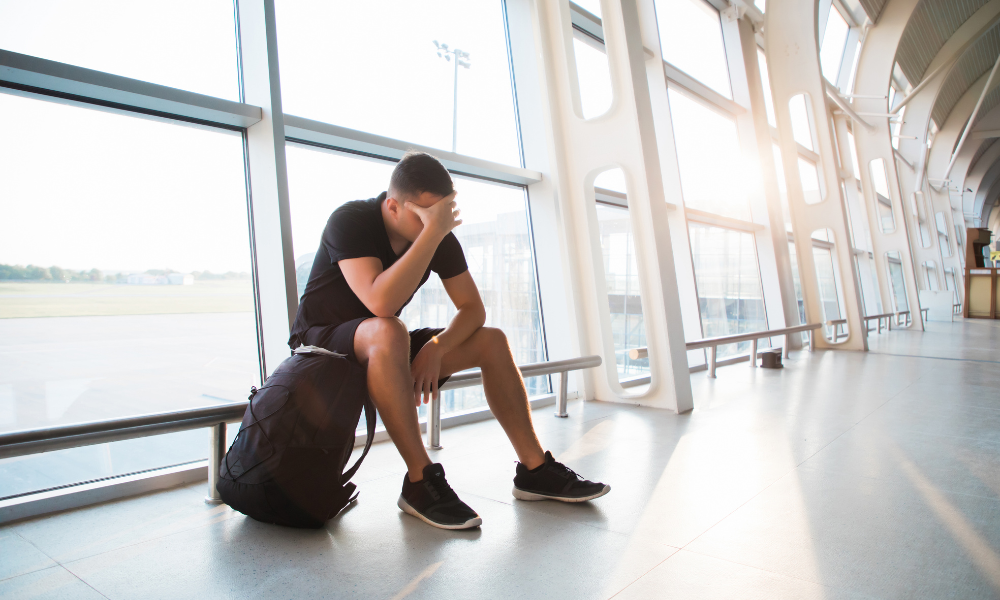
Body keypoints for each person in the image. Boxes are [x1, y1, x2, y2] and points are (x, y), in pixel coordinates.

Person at [289, 151, 609, 530]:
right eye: (426, 216)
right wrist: (434, 232)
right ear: (393, 206)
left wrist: (437, 348)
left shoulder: (435, 236)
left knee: (491, 340)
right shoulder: (351, 221)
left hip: (381, 344)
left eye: (443, 214)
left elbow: (473, 309)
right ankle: (419, 480)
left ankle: (534, 469)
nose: (437, 224)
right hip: (320, 347)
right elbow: (380, 303)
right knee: (390, 328)